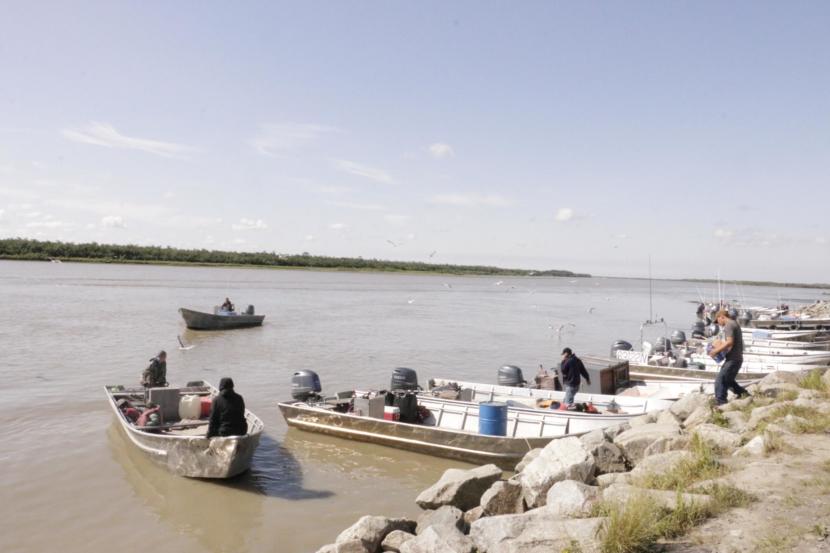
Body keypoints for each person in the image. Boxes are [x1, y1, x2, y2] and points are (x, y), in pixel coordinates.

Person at [709, 309, 750, 405]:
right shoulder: (734, 323)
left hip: (733, 359)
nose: (718, 324)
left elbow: (729, 342)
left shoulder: (729, 325)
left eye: (717, 321)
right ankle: (745, 395)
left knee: (720, 381)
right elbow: (731, 343)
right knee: (729, 381)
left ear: (721, 317)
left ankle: (721, 403)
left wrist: (716, 350)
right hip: (736, 358)